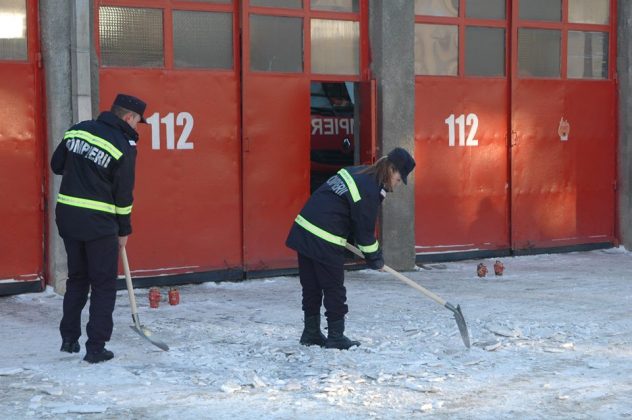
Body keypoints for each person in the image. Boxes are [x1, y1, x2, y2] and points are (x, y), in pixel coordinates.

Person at [286, 147, 416, 350]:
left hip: (304, 229)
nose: (397, 185)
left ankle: (311, 333)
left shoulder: (358, 172)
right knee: (334, 289)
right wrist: (375, 258)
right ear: (391, 170)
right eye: (399, 180)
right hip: (324, 237)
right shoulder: (370, 190)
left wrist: (370, 254)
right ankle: (336, 337)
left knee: (312, 286)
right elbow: (364, 234)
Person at [51, 93, 147, 363]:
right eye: (137, 121)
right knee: (103, 284)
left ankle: (69, 339)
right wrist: (124, 230)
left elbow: (56, 165)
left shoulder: (78, 130)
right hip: (100, 224)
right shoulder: (123, 146)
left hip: (68, 217)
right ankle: (96, 347)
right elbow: (123, 195)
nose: (137, 126)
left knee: (77, 279)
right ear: (128, 117)